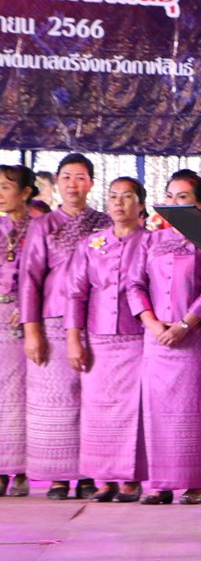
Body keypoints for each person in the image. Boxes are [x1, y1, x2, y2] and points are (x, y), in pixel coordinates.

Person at [127, 170, 201, 506]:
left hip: (194, 342)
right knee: (157, 413)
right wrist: (153, 324)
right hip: (156, 340)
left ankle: (196, 482)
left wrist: (184, 324)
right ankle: (160, 482)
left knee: (195, 412)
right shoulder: (150, 240)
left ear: (200, 205)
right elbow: (135, 285)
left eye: (182, 197)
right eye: (170, 195)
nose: (173, 202)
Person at [20, 153, 112, 500]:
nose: (73, 184)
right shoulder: (42, 225)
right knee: (55, 400)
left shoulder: (104, 222)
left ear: (91, 183)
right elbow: (29, 279)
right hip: (53, 320)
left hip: (96, 320)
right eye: (67, 177)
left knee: (93, 399)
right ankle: (58, 477)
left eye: (80, 177)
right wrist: (32, 330)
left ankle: (89, 473)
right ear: (57, 183)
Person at [65, 177, 148, 503]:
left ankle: (130, 479)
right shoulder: (92, 244)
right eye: (113, 196)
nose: (118, 203)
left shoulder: (150, 242)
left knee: (133, 411)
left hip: (138, 337)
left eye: (126, 197)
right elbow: (76, 294)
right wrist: (74, 340)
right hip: (98, 339)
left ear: (140, 204)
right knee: (98, 410)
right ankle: (104, 478)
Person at [0, 165, 37, 497]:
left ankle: (22, 467)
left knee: (23, 396)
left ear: (25, 192)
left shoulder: (40, 227)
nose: (0, 193)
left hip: (28, 317)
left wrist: (27, 308)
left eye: (6, 186)